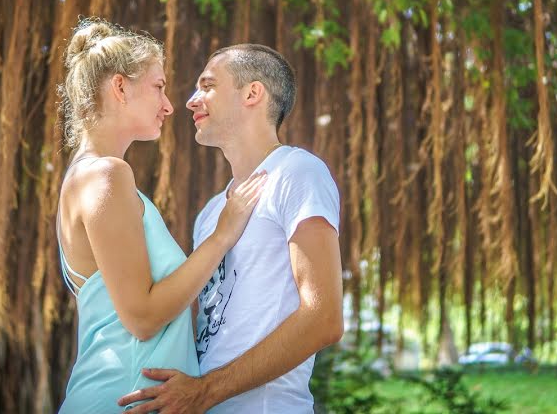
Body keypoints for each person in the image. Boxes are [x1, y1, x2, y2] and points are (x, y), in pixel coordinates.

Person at [56, 20, 267, 414]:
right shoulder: (106, 175)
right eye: (158, 87)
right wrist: (222, 235)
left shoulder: (86, 176)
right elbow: (143, 317)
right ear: (120, 87)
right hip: (125, 398)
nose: (169, 105)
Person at [119, 44, 344, 413]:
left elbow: (324, 319)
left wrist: (206, 390)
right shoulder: (210, 214)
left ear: (253, 93)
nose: (191, 101)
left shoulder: (298, 173)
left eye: (207, 86)